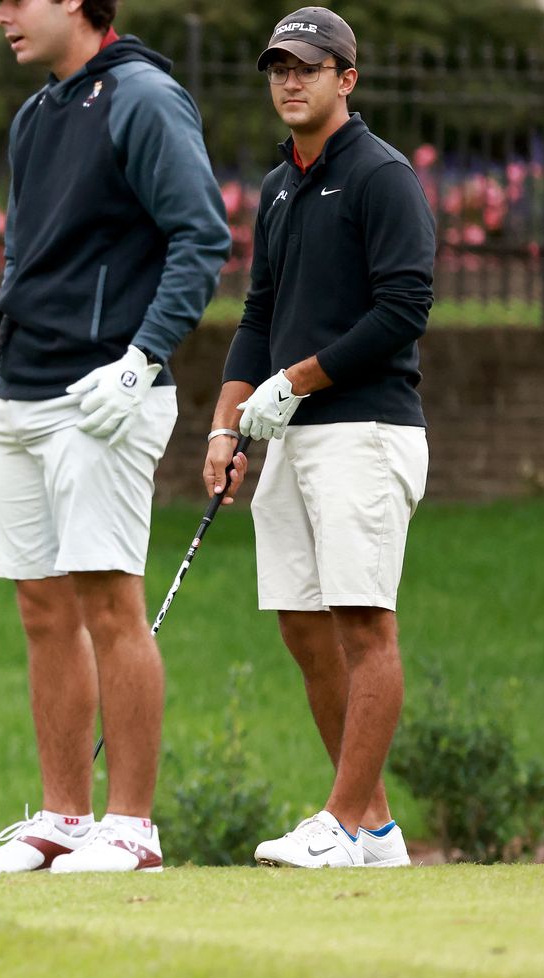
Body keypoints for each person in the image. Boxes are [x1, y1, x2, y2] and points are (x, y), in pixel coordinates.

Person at [0, 0, 228, 875]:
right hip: (21, 389)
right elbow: (23, 258)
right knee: (42, 610)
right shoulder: (35, 114)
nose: (1, 16)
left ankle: (132, 827)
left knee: (111, 602)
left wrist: (144, 358)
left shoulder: (144, 97)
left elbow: (201, 237)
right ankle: (64, 818)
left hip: (103, 392)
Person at [208, 8, 434, 869]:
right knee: (303, 626)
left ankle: (339, 822)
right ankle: (373, 827)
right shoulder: (279, 186)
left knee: (364, 624)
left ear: (348, 77)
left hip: (366, 432)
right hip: (292, 439)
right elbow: (259, 313)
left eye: (308, 66)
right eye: (278, 67)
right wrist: (227, 423)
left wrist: (295, 382)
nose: (290, 81)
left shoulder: (382, 177)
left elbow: (403, 310)